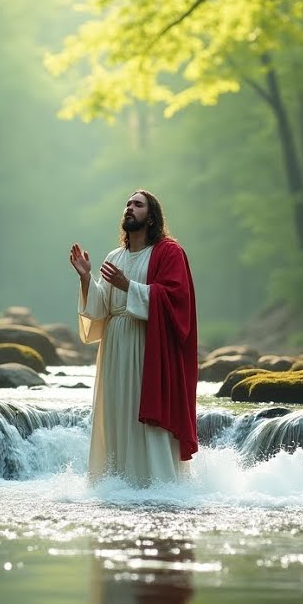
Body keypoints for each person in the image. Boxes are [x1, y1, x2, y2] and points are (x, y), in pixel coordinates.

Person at [69, 189, 199, 485]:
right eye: (127, 204)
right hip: (114, 346)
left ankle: (156, 482)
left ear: (151, 217)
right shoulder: (115, 257)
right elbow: (102, 308)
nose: (130, 208)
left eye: (137, 205)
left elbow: (177, 299)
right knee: (116, 413)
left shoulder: (168, 252)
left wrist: (130, 286)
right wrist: (87, 278)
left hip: (148, 348)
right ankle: (118, 482)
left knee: (144, 415)